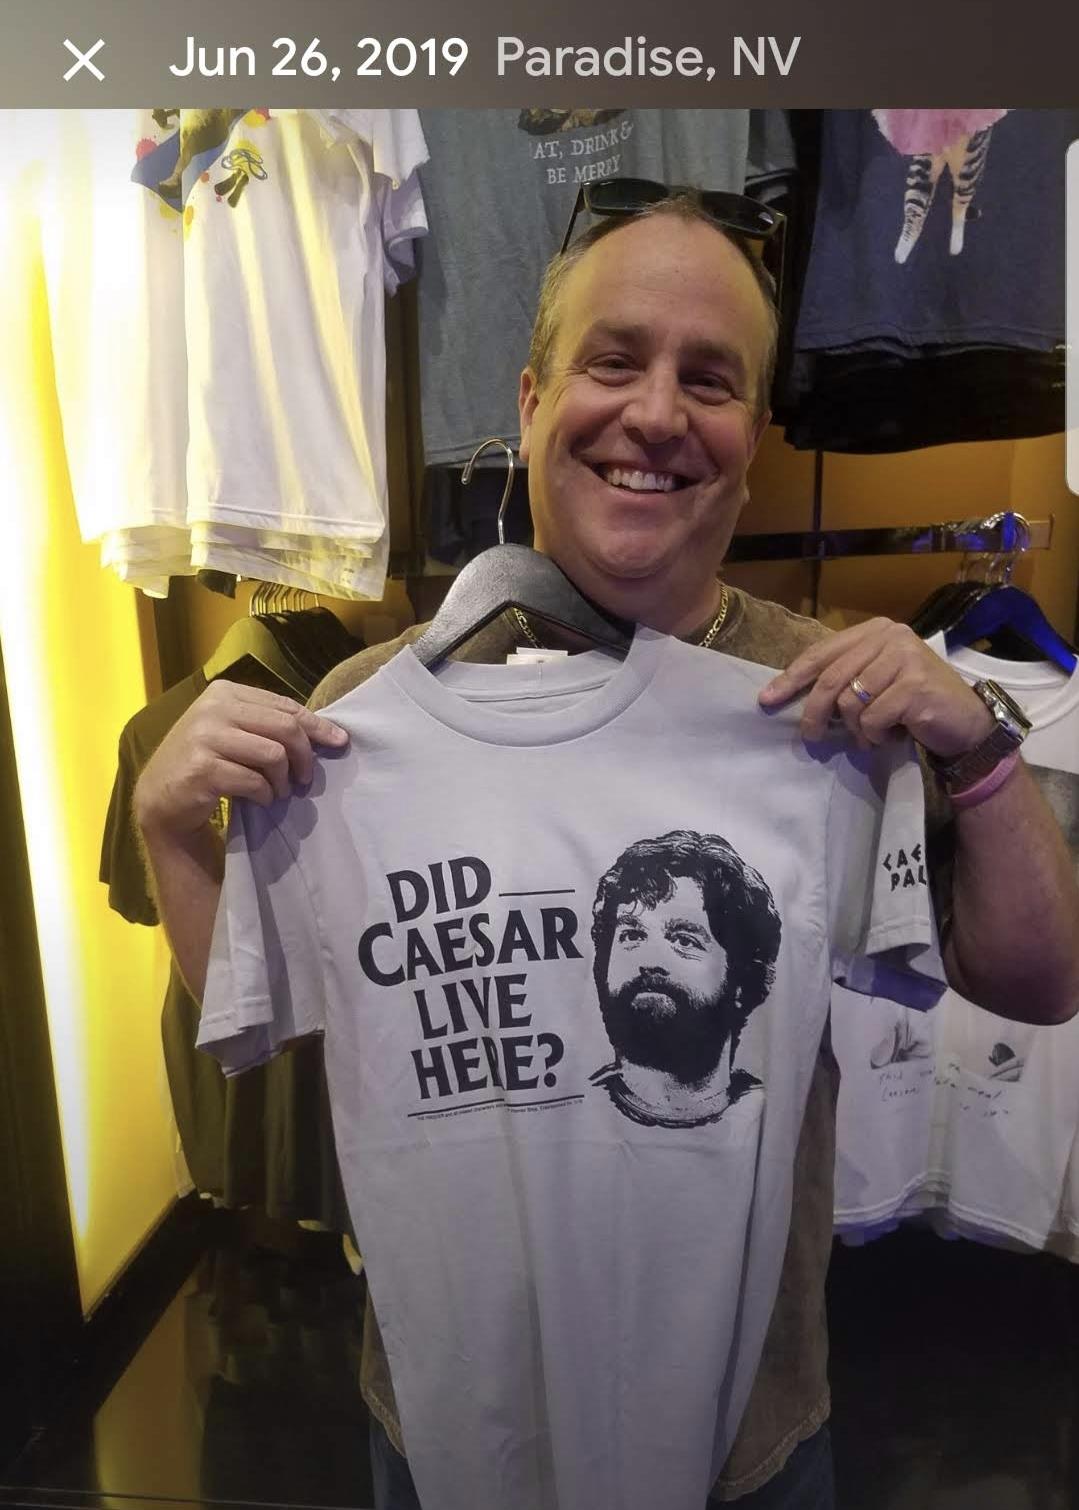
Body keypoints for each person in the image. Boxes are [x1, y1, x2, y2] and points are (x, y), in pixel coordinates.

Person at [134, 188, 1079, 1508]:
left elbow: (1039, 985)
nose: (652, 413)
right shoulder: (355, 724)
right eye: (612, 359)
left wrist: (973, 747)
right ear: (528, 399)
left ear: (751, 437)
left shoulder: (821, 710)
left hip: (742, 1439)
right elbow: (273, 1020)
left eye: (708, 379)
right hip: (451, 1427)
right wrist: (171, 834)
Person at [588, 829, 781, 1128]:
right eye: (632, 935)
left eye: (684, 940)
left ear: (743, 977)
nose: (648, 961)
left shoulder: (774, 1116)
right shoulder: (567, 1112)